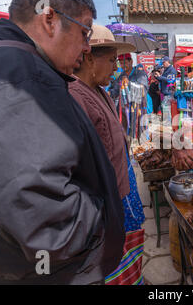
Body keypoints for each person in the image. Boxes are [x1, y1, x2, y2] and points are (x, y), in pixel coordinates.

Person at [0, 0, 126, 285]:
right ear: (50, 19)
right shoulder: (20, 76)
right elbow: (36, 209)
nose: (87, 47)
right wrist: (99, 217)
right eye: (85, 32)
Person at [69, 24, 145, 285]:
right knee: (113, 267)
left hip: (122, 193)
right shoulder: (75, 96)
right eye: (112, 60)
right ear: (89, 57)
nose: (116, 67)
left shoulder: (100, 92)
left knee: (130, 261)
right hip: (105, 206)